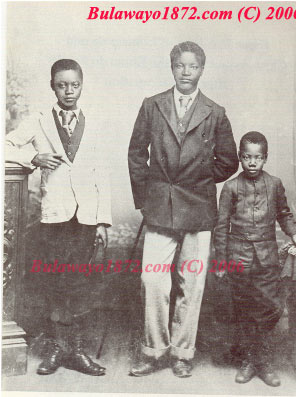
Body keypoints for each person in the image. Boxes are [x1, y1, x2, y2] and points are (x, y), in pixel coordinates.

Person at [128, 41, 239, 377]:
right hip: (160, 207)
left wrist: (198, 182)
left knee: (192, 282)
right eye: (180, 65)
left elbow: (229, 161)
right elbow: (136, 154)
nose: (186, 72)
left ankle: (182, 353)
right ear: (171, 67)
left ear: (202, 70)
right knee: (152, 280)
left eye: (193, 66)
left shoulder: (215, 112)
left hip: (198, 209)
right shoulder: (152, 105)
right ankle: (154, 349)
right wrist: (146, 199)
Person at [6, 59, 112, 376]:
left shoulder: (93, 122)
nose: (69, 90)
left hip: (86, 216)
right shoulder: (38, 121)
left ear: (82, 84)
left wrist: (103, 221)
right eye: (62, 85)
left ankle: (74, 350)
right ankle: (57, 348)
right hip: (55, 216)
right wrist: (33, 157)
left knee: (78, 282)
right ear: (53, 86)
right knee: (55, 281)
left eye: (74, 84)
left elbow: (102, 174)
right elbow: (5, 145)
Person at [213, 131, 296, 387]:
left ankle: (257, 359)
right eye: (246, 157)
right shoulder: (230, 187)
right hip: (237, 256)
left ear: (265, 158)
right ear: (240, 158)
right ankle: (254, 361)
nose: (252, 163)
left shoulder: (274, 184)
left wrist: (295, 233)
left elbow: (284, 213)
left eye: (258, 158)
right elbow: (221, 226)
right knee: (244, 309)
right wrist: (221, 259)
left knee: (269, 307)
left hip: (266, 257)